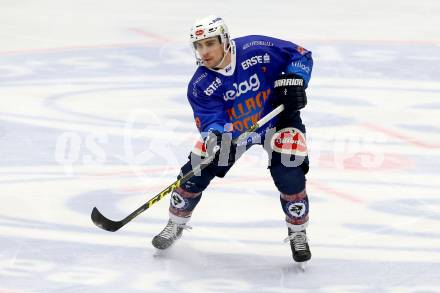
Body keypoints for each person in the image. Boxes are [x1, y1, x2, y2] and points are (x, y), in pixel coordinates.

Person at [152, 15, 313, 264]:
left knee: (290, 172)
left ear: (225, 40)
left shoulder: (256, 48)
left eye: (210, 43)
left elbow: (301, 54)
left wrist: (296, 81)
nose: (204, 52)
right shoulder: (200, 84)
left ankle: (297, 232)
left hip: (277, 119)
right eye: (199, 45)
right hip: (235, 131)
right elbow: (209, 119)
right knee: (195, 171)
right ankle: (175, 223)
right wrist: (216, 137)